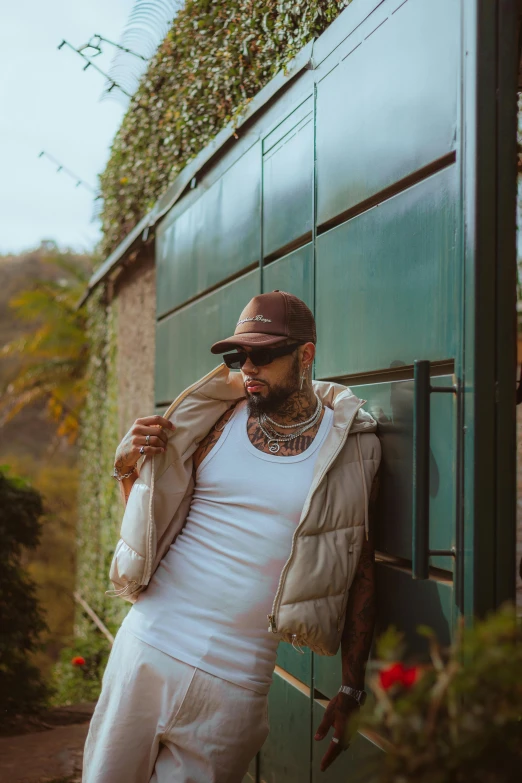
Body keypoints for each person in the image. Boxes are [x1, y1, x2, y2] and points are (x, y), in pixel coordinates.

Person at [83, 290, 381, 783]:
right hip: (148, 649)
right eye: (239, 355)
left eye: (262, 355)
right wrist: (126, 468)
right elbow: (154, 520)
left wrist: (351, 689)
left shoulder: (350, 446)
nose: (249, 368)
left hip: (237, 685)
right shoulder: (216, 418)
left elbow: (361, 567)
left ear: (305, 355)